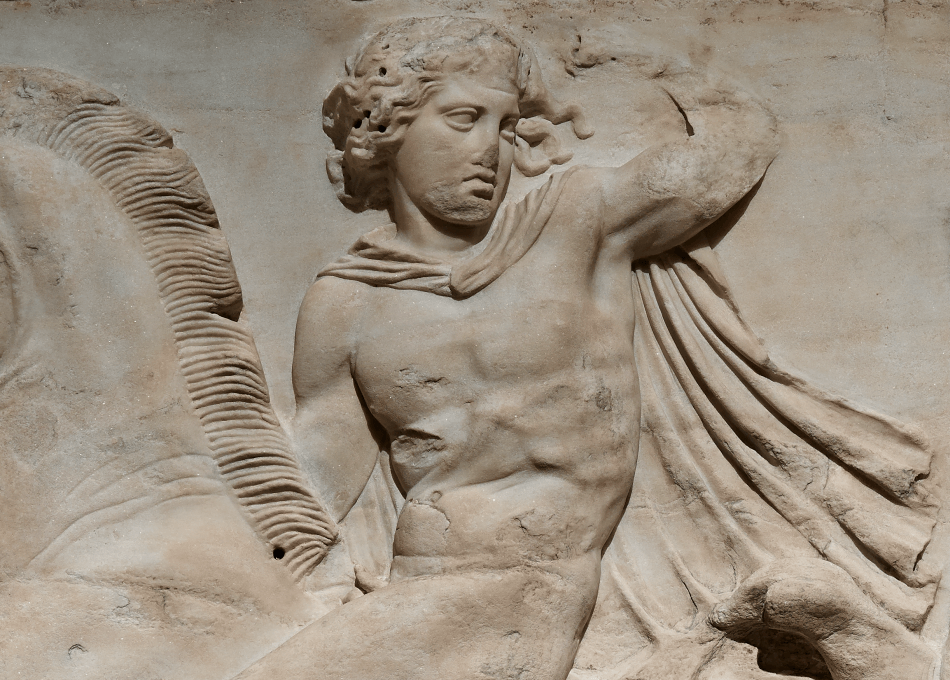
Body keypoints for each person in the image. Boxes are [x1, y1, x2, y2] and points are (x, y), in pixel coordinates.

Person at [231, 16, 791, 679]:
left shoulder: (575, 221)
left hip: (532, 582)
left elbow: (728, 156)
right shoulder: (346, 299)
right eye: (463, 119)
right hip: (415, 584)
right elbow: (319, 477)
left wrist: (647, 62)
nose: (487, 151)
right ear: (387, 127)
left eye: (503, 127)